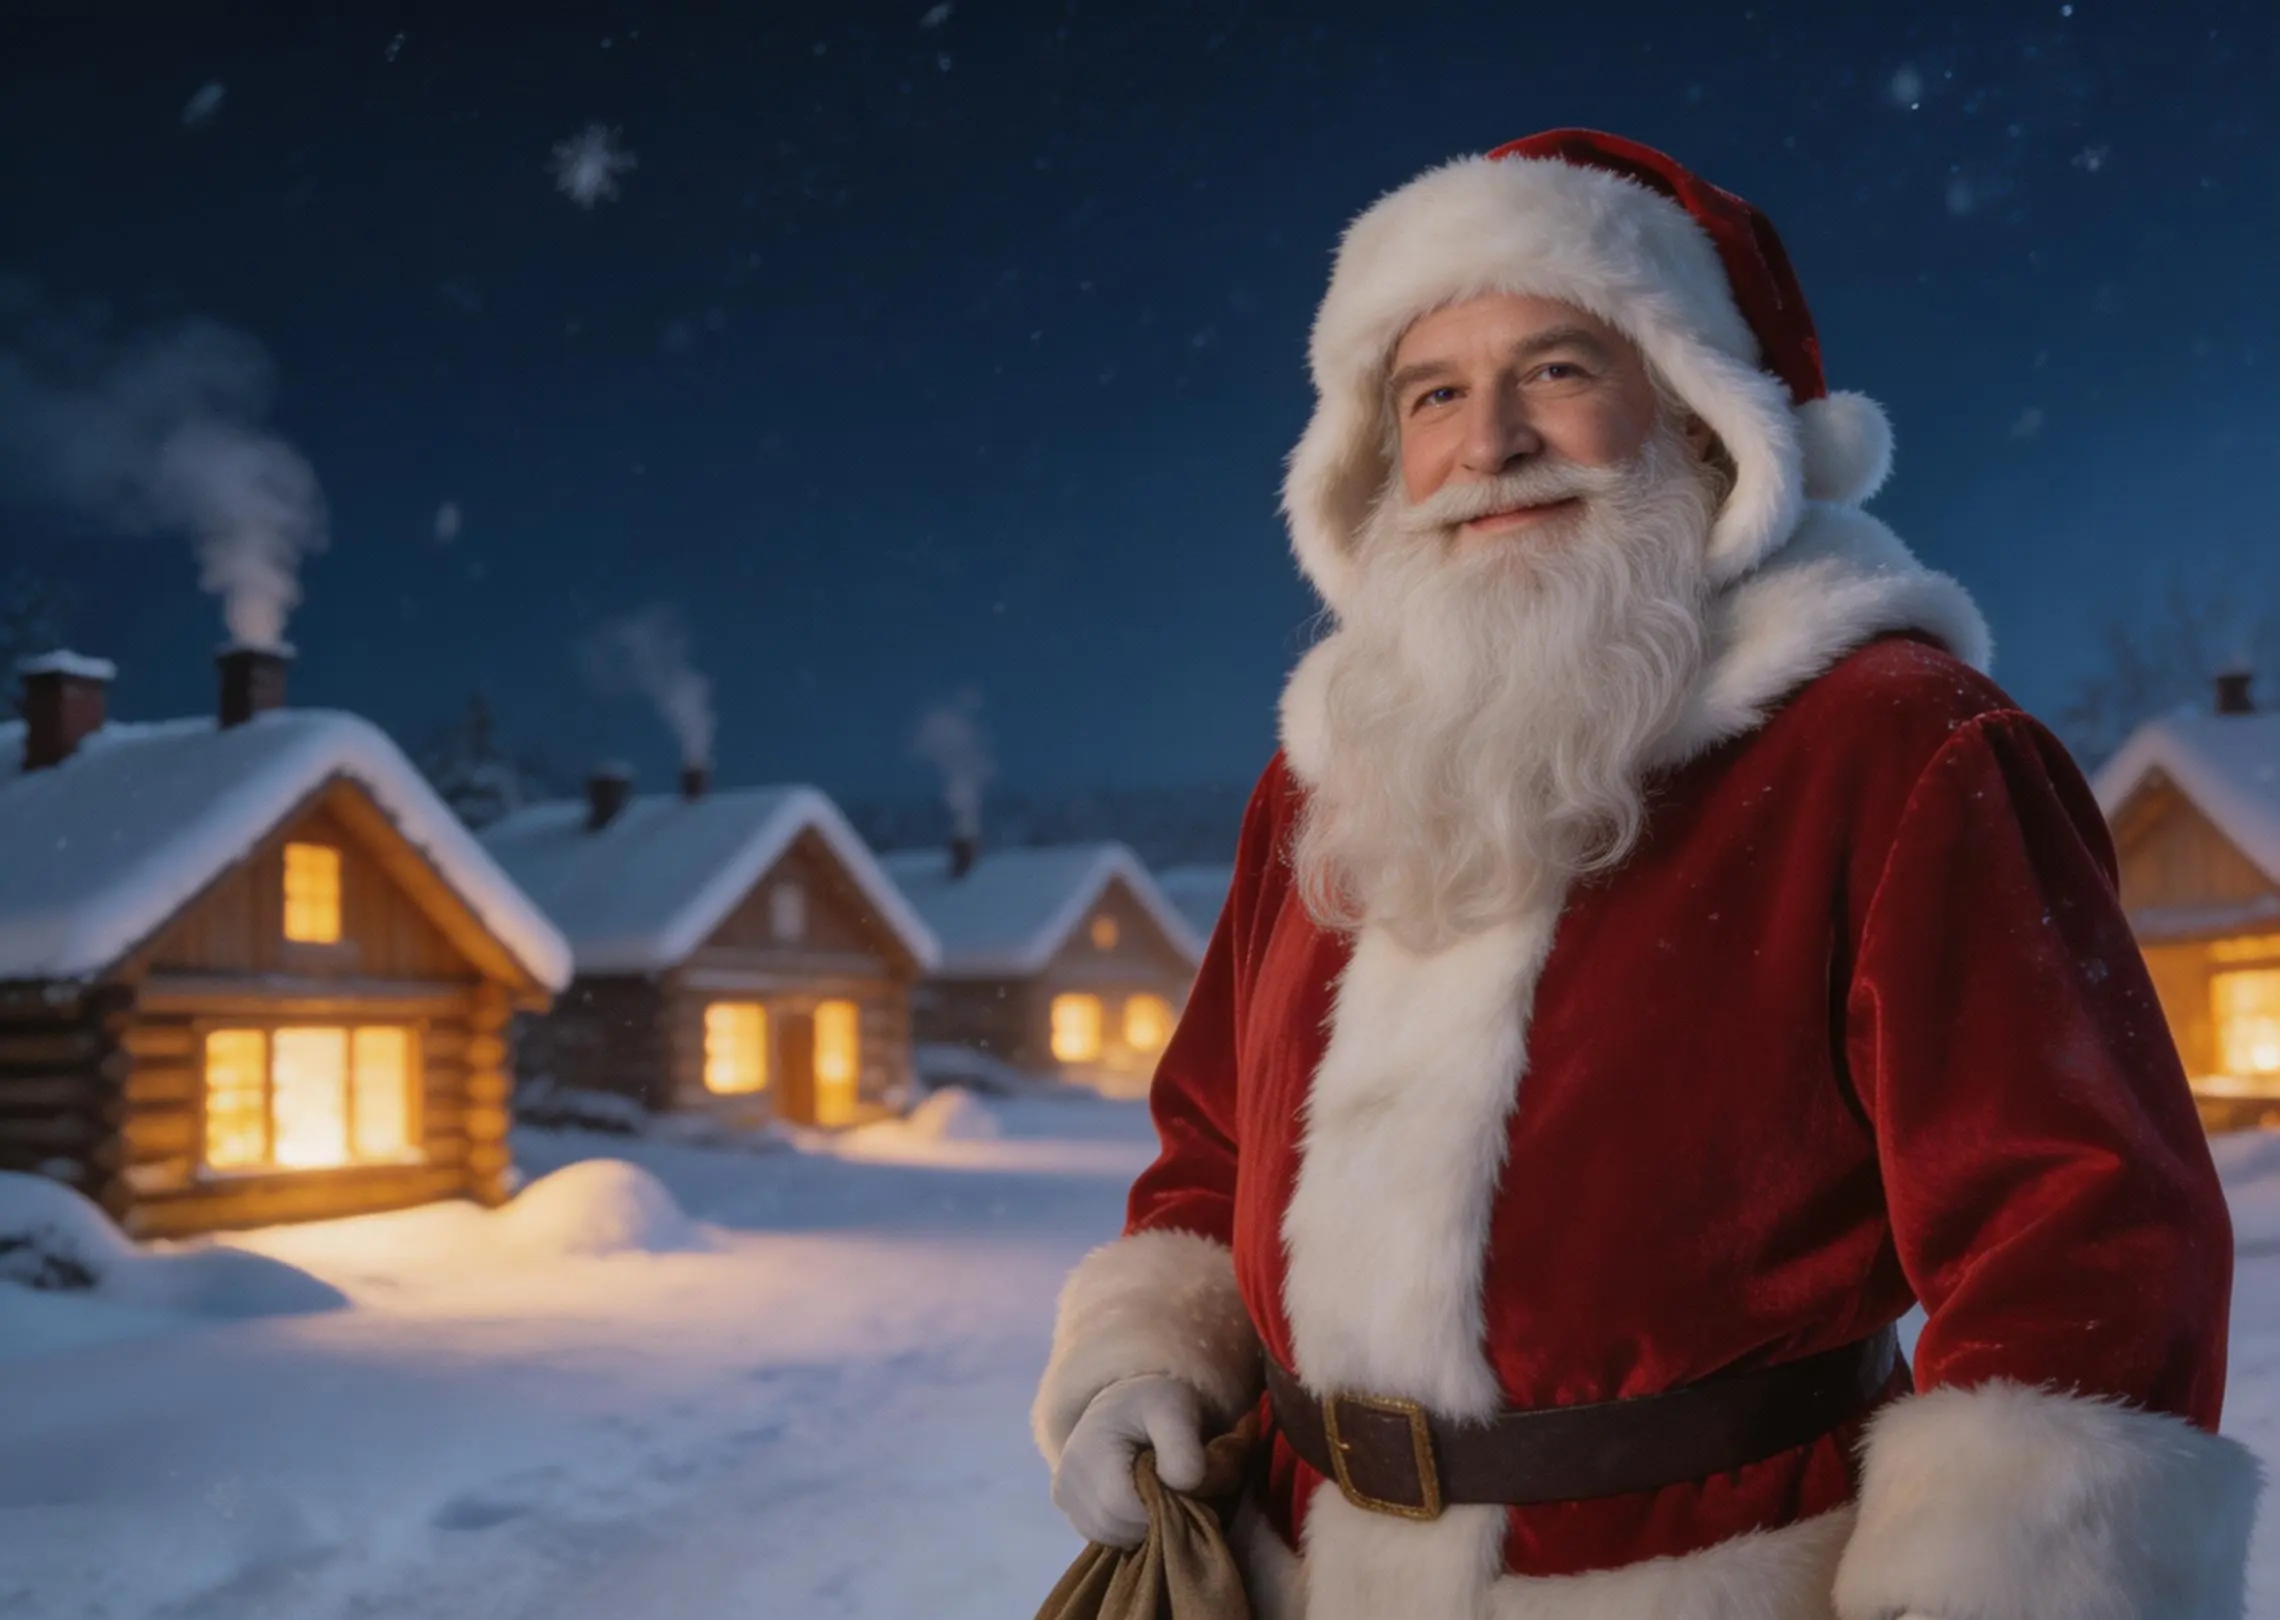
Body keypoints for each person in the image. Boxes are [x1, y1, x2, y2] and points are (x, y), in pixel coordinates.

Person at [1030, 130, 2258, 1620]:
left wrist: (1997, 1580)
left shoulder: (1897, 748)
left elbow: (2077, 1225)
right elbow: (1214, 1139)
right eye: (1433, 394)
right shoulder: (1329, 772)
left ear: (1700, 418)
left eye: (1556, 369)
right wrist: (1146, 1361)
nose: (1487, 445)